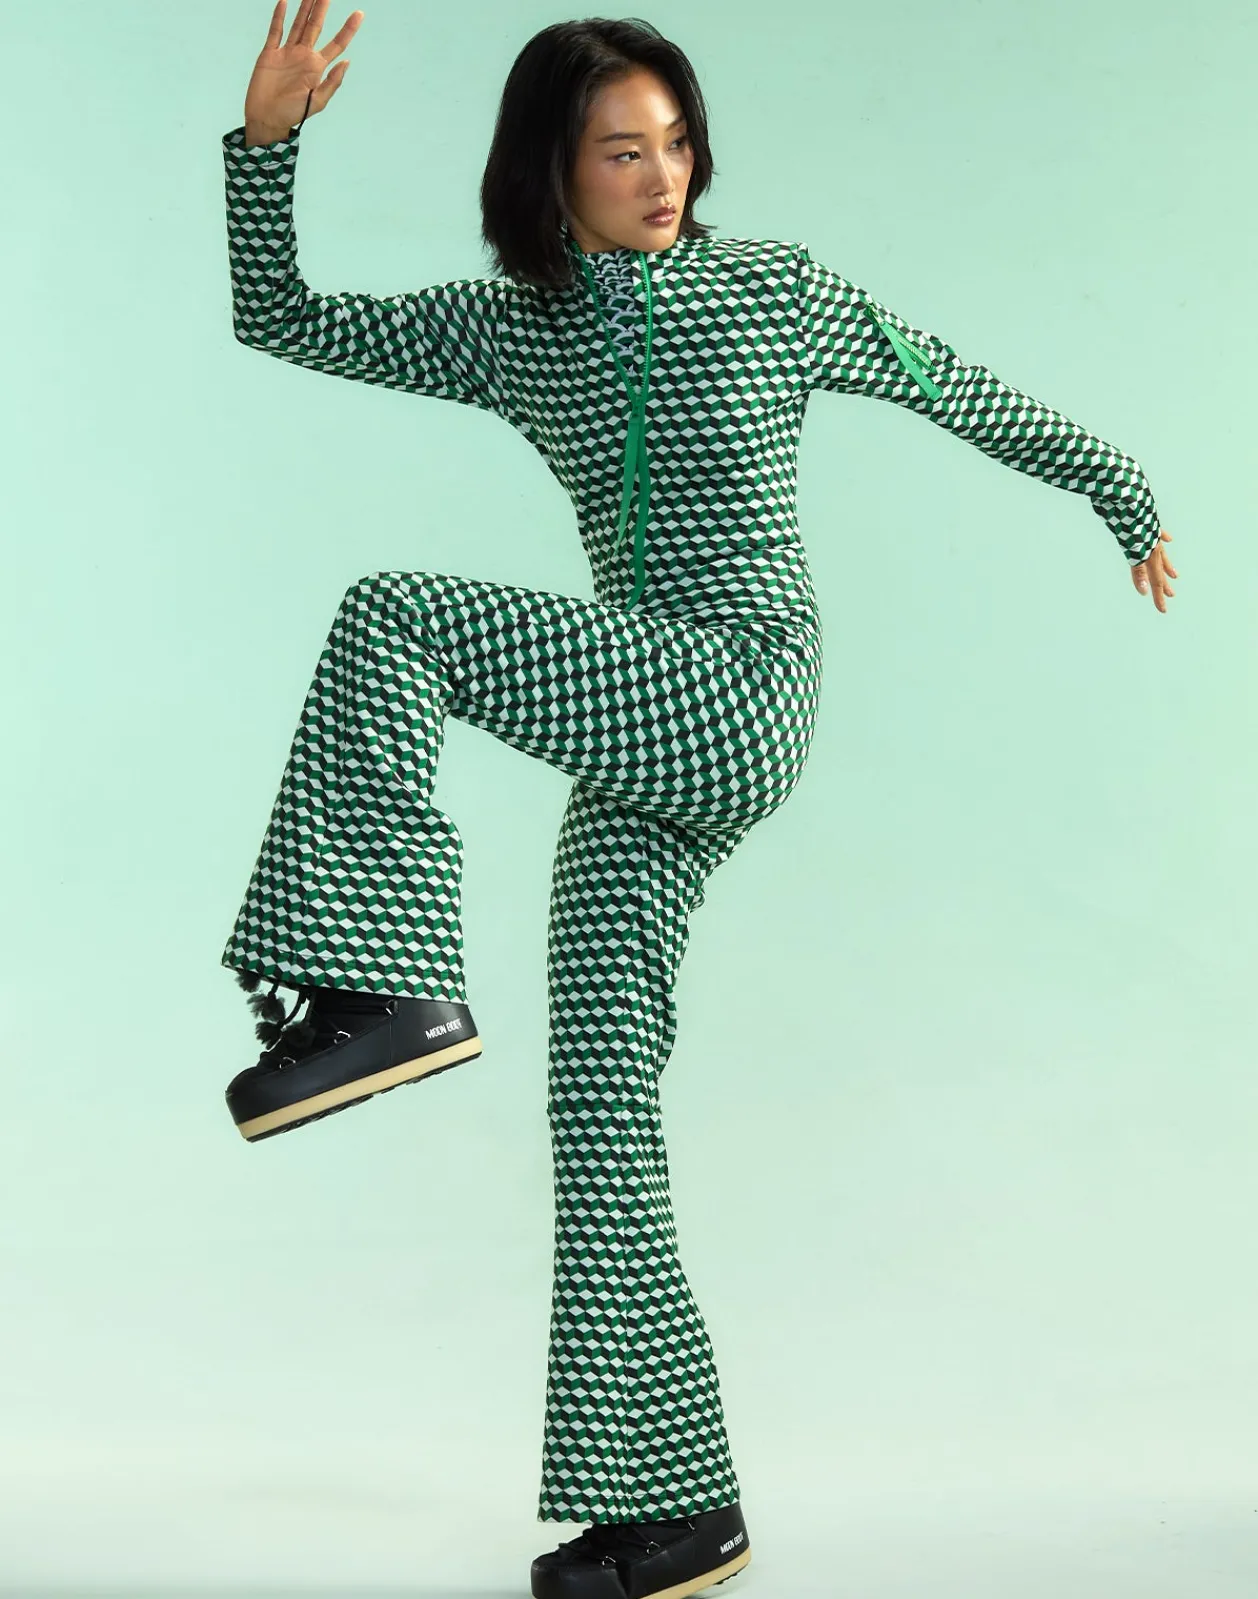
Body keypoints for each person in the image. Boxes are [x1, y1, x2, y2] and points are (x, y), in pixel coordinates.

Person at [215, 3, 1179, 1594]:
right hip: (634, 728)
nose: (662, 177)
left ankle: (380, 985)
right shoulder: (510, 325)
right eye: (621, 152)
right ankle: (673, 1510)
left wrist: (1120, 491)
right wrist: (265, 149)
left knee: (398, 616)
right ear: (551, 171)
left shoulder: (774, 289)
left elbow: (954, 384)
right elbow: (281, 317)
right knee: (600, 1101)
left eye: (674, 144)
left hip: (738, 687)